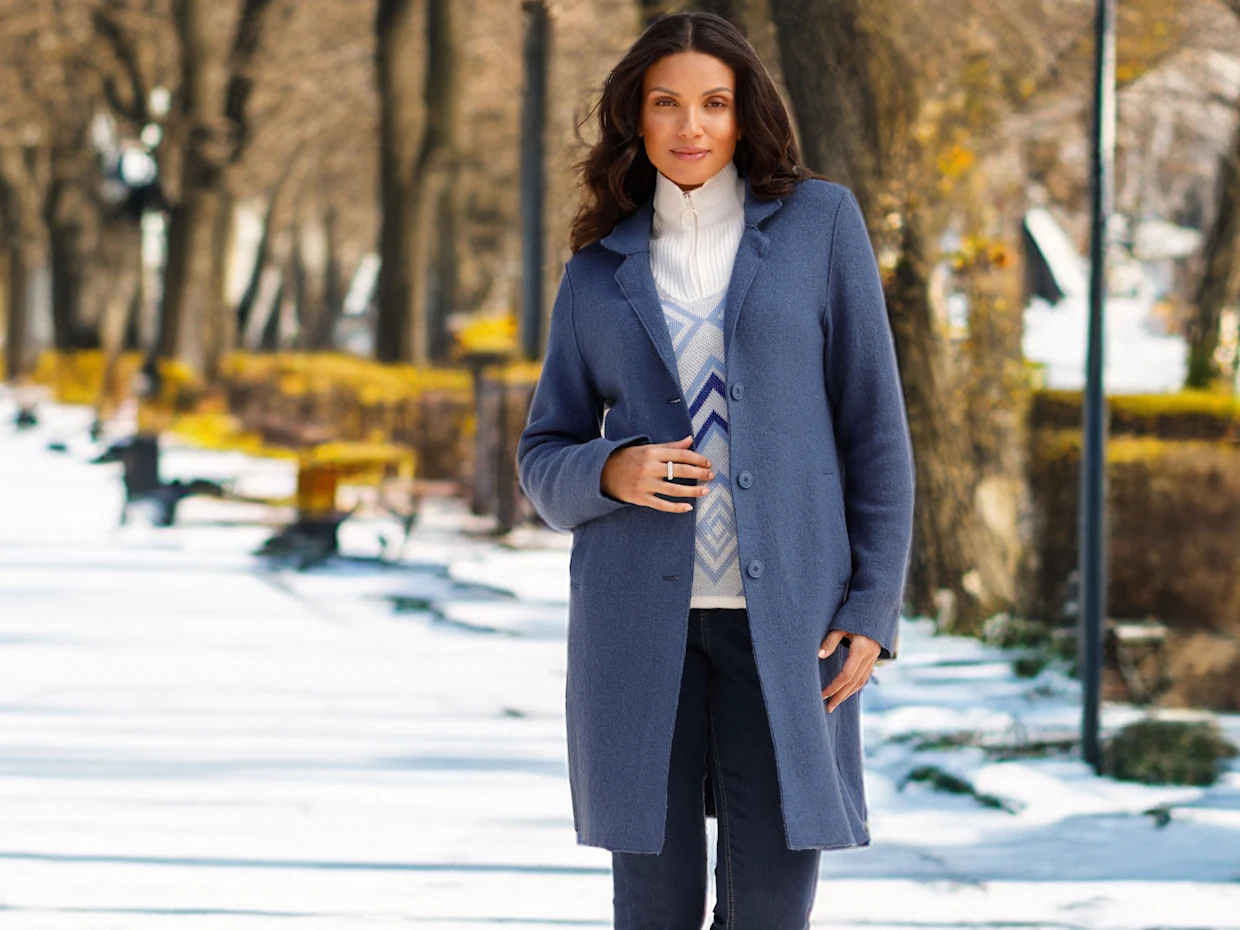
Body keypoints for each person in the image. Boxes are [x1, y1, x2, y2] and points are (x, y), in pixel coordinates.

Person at [517, 11, 915, 928]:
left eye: (713, 103)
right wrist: (611, 471)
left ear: (744, 116)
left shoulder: (820, 225)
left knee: (771, 904)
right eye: (667, 104)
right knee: (650, 907)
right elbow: (543, 454)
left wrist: (871, 608)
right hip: (636, 627)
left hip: (792, 627)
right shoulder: (595, 269)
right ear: (637, 120)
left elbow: (876, 435)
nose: (690, 126)